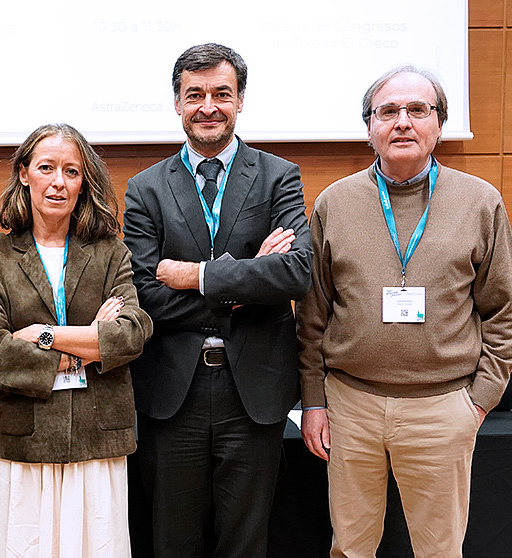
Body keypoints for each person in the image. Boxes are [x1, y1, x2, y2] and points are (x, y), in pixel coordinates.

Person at [296, 65, 512, 557]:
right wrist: (314, 400)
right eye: (388, 111)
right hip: (350, 405)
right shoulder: (335, 203)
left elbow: (504, 311)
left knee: (439, 550)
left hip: (443, 407)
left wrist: (478, 402)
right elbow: (313, 313)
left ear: (438, 124)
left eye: (417, 110)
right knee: (350, 548)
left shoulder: (481, 202)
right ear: (369, 127)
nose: (402, 122)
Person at [122, 43, 313, 558]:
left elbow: (296, 273)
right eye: (195, 94)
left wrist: (198, 276)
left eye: (221, 94)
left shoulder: (278, 177)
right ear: (178, 104)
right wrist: (249, 284)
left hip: (253, 391)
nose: (209, 106)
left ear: (241, 100)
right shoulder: (145, 190)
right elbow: (144, 294)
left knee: (245, 543)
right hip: (171, 393)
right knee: (172, 541)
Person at [0, 123, 153, 558]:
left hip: (96, 438)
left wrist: (47, 336)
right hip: (19, 439)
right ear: (24, 174)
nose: (58, 182)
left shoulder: (111, 252)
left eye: (71, 171)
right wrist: (84, 349)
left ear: (83, 181)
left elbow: (131, 334)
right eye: (47, 168)